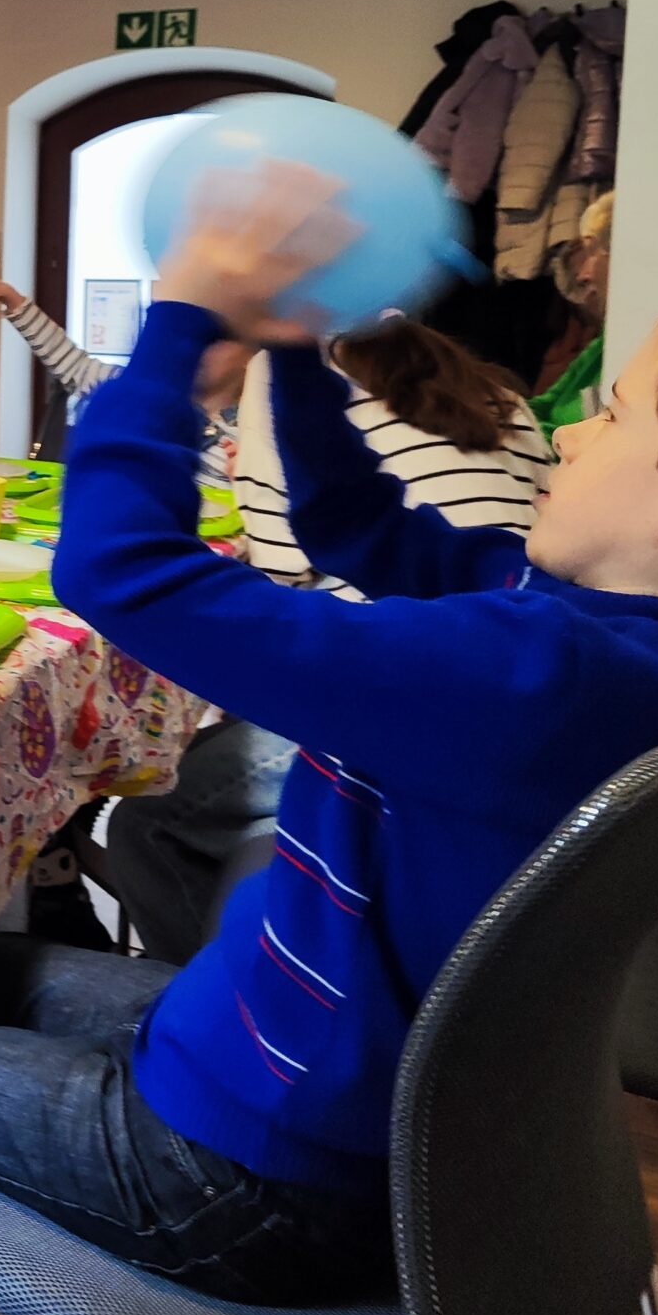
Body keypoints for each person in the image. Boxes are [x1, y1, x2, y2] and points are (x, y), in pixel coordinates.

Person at [0, 167, 658, 1315]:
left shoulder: (522, 677)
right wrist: (294, 350)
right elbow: (355, 524)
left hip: (256, 1172)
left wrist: (180, 324)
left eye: (614, 413)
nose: (575, 426)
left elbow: (118, 571)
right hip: (335, 1094)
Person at [105, 316, 554, 964]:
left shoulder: (282, 378)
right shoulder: (496, 390)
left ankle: (203, 1001)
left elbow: (286, 567)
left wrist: (245, 479)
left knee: (147, 823)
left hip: (397, 703)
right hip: (507, 687)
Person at [0, 270, 244, 485]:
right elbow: (73, 363)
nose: (196, 348)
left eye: (214, 337)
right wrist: (9, 296)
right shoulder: (144, 397)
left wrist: (250, 480)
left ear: (248, 352)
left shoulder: (257, 434)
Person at [531, 189, 614, 438]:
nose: (583, 275)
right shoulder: (605, 342)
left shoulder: (642, 345)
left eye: (594, 253)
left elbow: (590, 437)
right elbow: (544, 405)